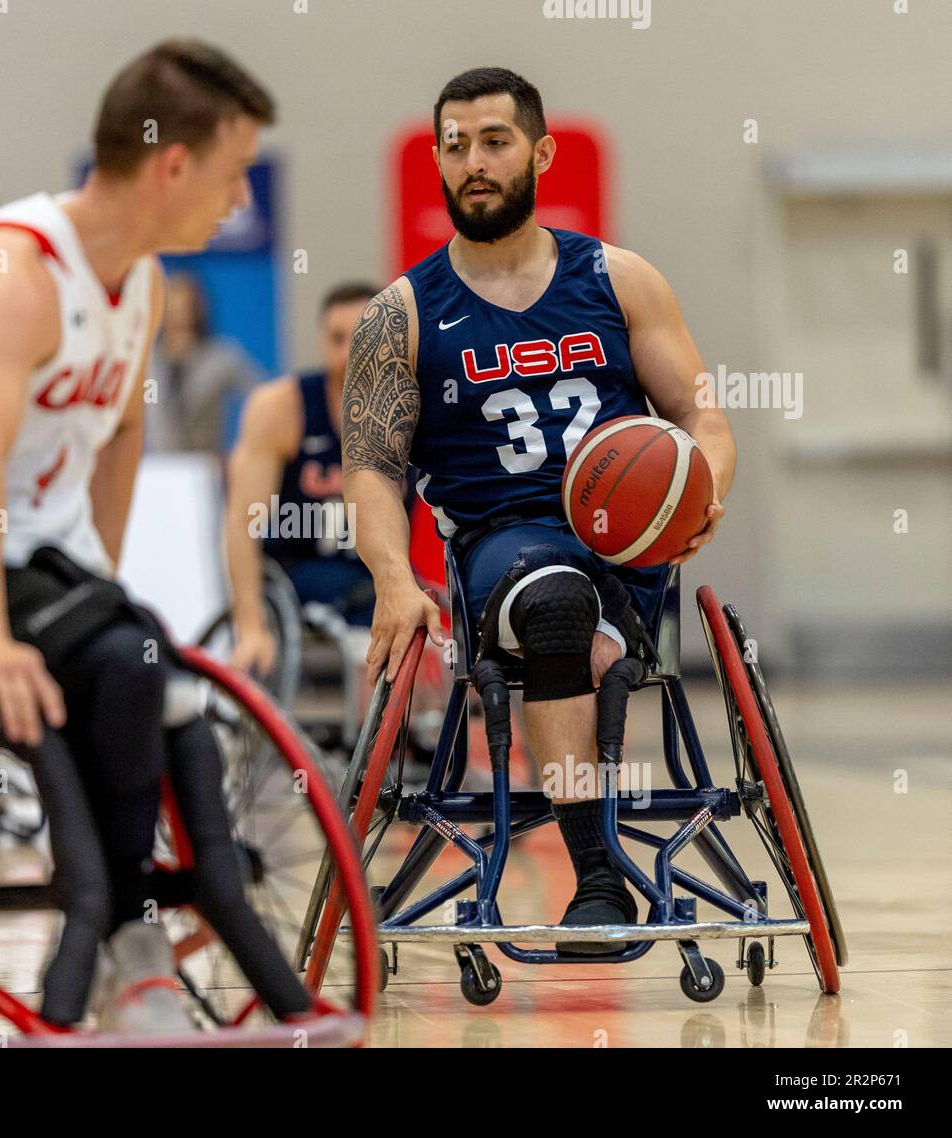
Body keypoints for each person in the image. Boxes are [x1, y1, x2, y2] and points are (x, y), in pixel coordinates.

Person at [0, 40, 311, 1031]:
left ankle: (199, 924)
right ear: (172, 164)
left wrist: (96, 577)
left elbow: (124, 431)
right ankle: (114, 932)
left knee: (149, 665)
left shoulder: (134, 280)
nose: (236, 200)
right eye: (231, 174)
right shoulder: (6, 274)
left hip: (36, 566)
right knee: (122, 661)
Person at [341, 67, 736, 950]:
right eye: (454, 146)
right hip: (500, 546)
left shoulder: (620, 280)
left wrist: (706, 484)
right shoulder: (399, 316)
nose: (472, 162)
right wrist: (393, 579)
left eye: (494, 141)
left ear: (540, 152)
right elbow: (371, 470)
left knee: (579, 595)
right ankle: (598, 876)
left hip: (629, 540)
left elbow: (700, 415)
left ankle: (600, 643)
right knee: (553, 600)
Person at [225, 281, 378, 678]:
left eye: (361, 337)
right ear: (321, 341)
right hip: (299, 574)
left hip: (373, 572)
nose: (348, 353)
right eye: (337, 338)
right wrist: (249, 626)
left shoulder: (411, 404)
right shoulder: (281, 407)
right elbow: (243, 524)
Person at [145, 274, 262, 455]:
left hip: (205, 465)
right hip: (156, 467)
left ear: (198, 308)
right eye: (171, 302)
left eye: (185, 304)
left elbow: (261, 392)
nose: (177, 312)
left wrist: (246, 450)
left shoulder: (220, 357)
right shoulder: (146, 361)